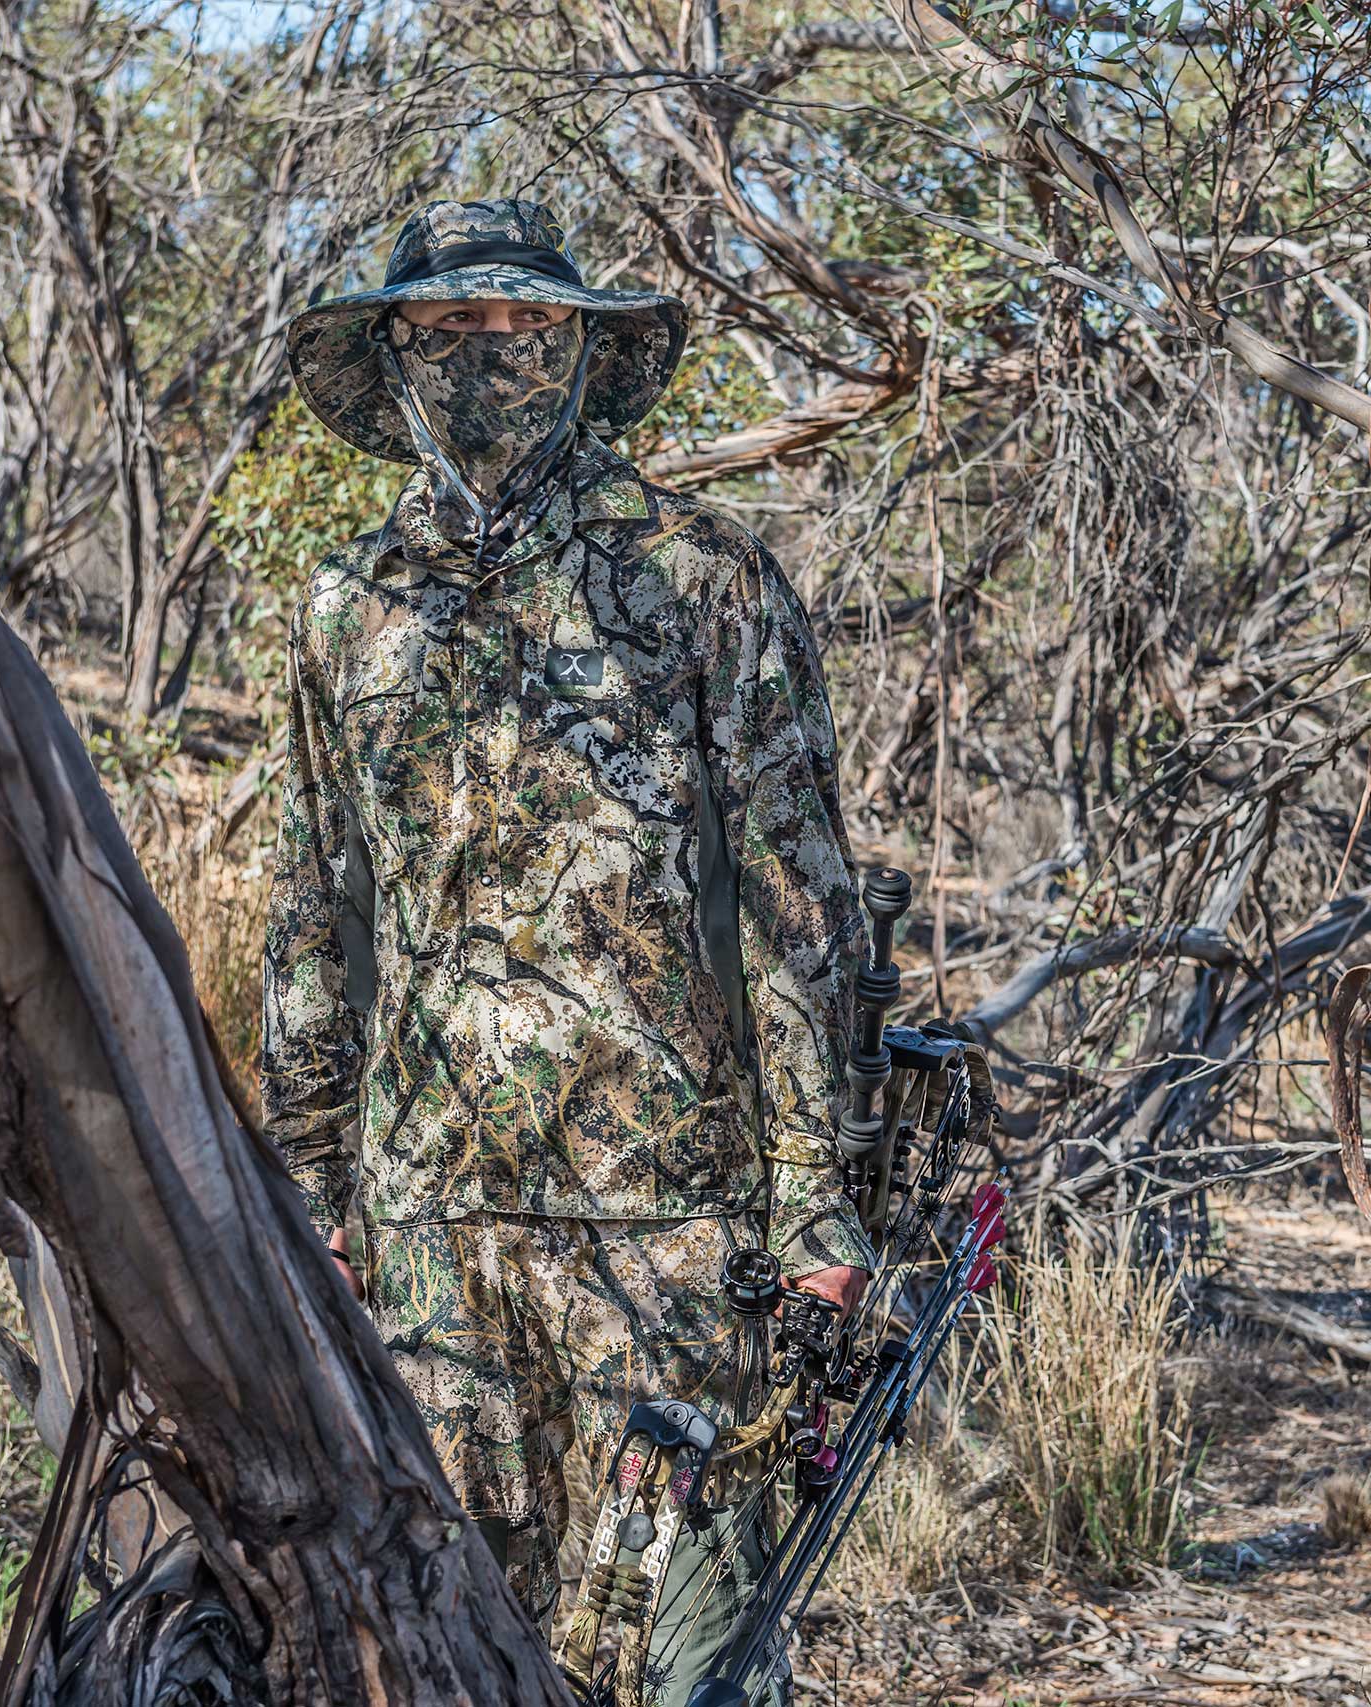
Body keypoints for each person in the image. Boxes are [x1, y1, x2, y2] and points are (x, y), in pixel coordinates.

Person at [261, 197, 874, 1704]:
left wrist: (815, 1211)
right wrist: (309, 1194)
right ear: (394, 352)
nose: (486, 355)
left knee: (688, 1666)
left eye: (523, 327)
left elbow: (803, 918)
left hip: (667, 1238)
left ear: (582, 352)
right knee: (441, 1651)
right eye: (448, 328)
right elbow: (312, 912)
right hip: (425, 1239)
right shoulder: (350, 604)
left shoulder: (704, 580)